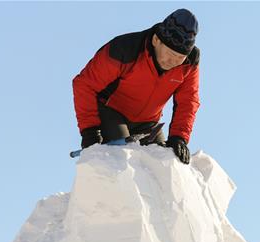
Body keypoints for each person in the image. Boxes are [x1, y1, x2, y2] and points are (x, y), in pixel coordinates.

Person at [72, 9, 200, 164]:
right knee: (123, 160)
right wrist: (90, 131)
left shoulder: (189, 64)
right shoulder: (124, 50)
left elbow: (188, 101)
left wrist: (179, 137)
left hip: (148, 124)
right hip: (111, 113)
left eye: (179, 57)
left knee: (163, 165)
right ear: (155, 40)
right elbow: (84, 84)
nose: (172, 61)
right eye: (169, 53)